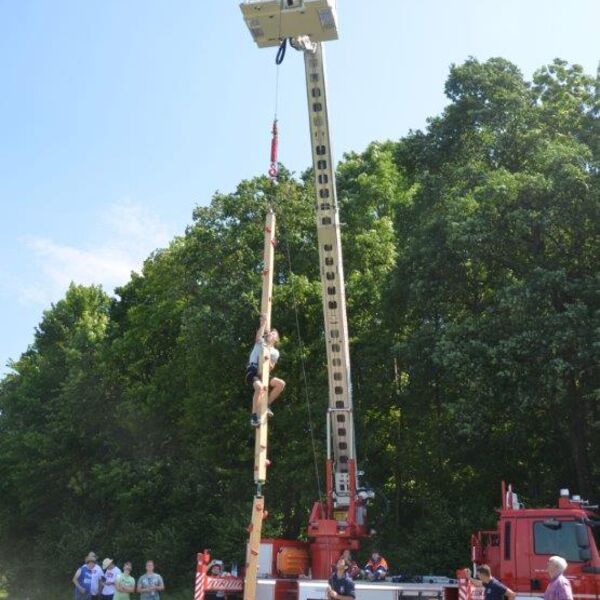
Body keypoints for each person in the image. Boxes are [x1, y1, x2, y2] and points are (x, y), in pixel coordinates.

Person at [246, 313, 285, 427]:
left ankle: (266, 404)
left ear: (276, 339)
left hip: (264, 373)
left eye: (273, 334)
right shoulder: (261, 342)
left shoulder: (275, 352)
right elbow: (258, 337)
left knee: (280, 384)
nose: (271, 334)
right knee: (260, 387)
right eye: (270, 333)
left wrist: (267, 360)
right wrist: (263, 324)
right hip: (253, 369)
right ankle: (254, 416)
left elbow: (272, 366)